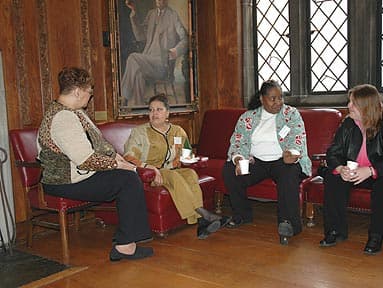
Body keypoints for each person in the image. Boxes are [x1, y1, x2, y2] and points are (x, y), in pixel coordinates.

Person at [37, 67, 153, 261]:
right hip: (63, 182)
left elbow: (99, 144)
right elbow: (86, 160)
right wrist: (119, 166)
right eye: (89, 92)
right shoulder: (63, 117)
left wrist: (119, 158)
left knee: (129, 177)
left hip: (79, 175)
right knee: (127, 181)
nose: (90, 97)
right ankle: (125, 246)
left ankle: (128, 242)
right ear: (77, 91)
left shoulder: (76, 112)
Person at [319, 84, 383, 255]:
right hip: (353, 171)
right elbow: (333, 152)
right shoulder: (347, 123)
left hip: (379, 172)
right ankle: (335, 230)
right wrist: (340, 168)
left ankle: (377, 235)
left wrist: (371, 170)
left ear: (366, 106)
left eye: (353, 103)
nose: (348, 106)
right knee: (333, 177)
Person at [123, 93, 228, 239]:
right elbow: (129, 156)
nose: (154, 113)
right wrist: (149, 167)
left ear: (167, 113)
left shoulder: (177, 131)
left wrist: (190, 158)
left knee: (190, 174)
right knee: (173, 176)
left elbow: (186, 154)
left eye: (159, 109)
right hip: (151, 174)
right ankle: (203, 215)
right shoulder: (140, 132)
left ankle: (201, 221)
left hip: (173, 169)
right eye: (151, 110)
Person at [222, 80, 312, 245]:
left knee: (289, 172)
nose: (278, 102)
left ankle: (289, 224)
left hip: (281, 160)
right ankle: (242, 215)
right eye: (273, 99)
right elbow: (238, 141)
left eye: (280, 98)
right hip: (256, 161)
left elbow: (298, 138)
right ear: (262, 99)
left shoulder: (291, 114)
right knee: (229, 170)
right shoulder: (248, 117)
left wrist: (292, 153)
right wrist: (238, 159)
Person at [121, 0, 188, 105]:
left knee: (132, 57)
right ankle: (139, 108)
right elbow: (140, 36)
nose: (158, 0)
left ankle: (124, 97)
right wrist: (133, 14)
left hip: (162, 64)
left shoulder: (172, 15)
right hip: (148, 60)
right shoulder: (151, 14)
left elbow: (185, 39)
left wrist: (175, 50)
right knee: (138, 74)